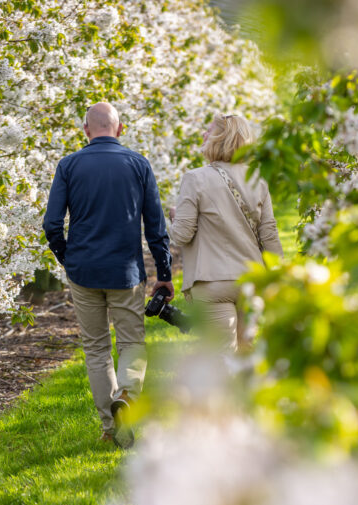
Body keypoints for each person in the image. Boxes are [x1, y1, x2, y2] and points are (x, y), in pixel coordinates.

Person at [43, 102, 173, 447]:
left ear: (86, 130)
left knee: (97, 348)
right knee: (131, 342)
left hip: (83, 269)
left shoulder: (68, 165)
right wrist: (164, 272)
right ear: (120, 129)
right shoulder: (138, 164)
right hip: (125, 271)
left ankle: (109, 428)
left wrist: (67, 258)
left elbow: (52, 223)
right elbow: (156, 226)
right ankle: (127, 397)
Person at [168, 114, 283, 352]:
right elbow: (269, 233)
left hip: (212, 279)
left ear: (219, 139)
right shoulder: (257, 179)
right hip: (252, 278)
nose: (203, 135)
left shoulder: (195, 178)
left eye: (208, 131)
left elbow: (181, 235)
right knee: (247, 352)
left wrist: (174, 216)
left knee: (221, 355)